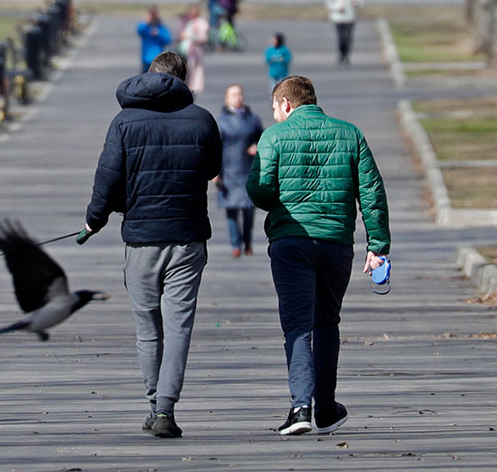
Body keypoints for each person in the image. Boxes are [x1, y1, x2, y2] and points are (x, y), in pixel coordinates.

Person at [81, 51, 221, 439]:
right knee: (179, 326)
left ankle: (152, 404)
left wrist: (94, 219)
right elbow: (211, 169)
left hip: (142, 237)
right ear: (184, 78)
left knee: (148, 328)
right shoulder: (203, 120)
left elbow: (107, 177)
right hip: (189, 236)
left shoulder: (124, 122)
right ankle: (165, 409)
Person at [246, 76, 390, 436]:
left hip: (290, 242)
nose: (276, 116)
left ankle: (300, 408)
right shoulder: (350, 134)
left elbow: (259, 191)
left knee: (297, 324)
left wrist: (275, 194)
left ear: (287, 105)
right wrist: (378, 246)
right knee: (327, 322)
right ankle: (325, 406)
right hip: (336, 243)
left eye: (276, 109)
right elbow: (371, 191)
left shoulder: (274, 137)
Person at [215, 85, 263, 258]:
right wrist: (215, 173)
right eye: (233, 95)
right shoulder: (221, 121)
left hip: (248, 168)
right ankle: (236, 244)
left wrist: (256, 146)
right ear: (226, 98)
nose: (238, 97)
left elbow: (262, 138)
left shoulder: (252, 119)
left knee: (249, 210)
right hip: (229, 169)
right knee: (231, 211)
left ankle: (247, 242)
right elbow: (215, 147)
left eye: (239, 94)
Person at [324, 0, 363, 66]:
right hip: (338, 17)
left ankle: (346, 56)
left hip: (350, 17)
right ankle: (341, 54)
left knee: (348, 38)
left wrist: (356, 3)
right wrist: (337, 8)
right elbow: (328, 3)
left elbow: (361, 1)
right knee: (341, 38)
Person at [177, 4, 210, 93]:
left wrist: (192, 36)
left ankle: (190, 90)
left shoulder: (201, 22)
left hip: (194, 53)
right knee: (182, 71)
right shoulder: (185, 21)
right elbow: (179, 35)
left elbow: (204, 37)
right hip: (183, 51)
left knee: (192, 73)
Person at [136, 7, 173, 73]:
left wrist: (158, 34)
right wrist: (147, 21)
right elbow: (139, 30)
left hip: (158, 58)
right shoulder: (145, 27)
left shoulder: (161, 27)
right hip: (146, 58)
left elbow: (168, 39)